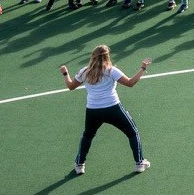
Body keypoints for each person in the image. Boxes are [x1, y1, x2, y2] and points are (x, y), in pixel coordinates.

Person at [61, 45, 151, 175]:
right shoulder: (111, 71)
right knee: (132, 132)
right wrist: (142, 68)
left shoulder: (84, 72)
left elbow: (70, 86)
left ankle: (80, 165)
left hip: (93, 110)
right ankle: (139, 163)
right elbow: (130, 83)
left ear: (93, 56)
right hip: (113, 108)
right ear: (107, 56)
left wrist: (65, 73)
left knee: (88, 135)